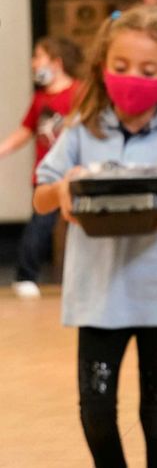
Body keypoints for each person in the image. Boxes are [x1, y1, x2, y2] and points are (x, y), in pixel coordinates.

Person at [32, 6, 157, 468]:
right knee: (95, 412)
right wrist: (64, 189)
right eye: (121, 67)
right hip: (99, 296)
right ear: (102, 68)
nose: (132, 77)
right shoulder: (82, 128)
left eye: (147, 70)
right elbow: (42, 195)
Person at [0, 37, 83, 298]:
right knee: (40, 225)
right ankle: (26, 276)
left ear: (56, 62)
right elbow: (26, 131)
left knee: (83, 226)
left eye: (38, 56)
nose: (33, 62)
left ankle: (84, 279)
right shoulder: (39, 99)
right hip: (47, 176)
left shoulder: (80, 93)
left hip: (78, 174)